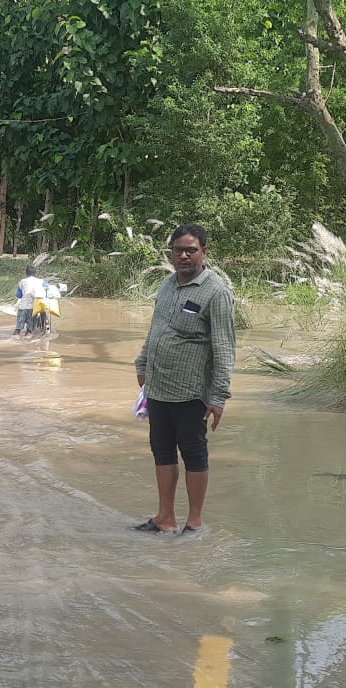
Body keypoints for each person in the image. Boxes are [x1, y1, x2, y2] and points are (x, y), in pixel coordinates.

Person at [132, 223, 235, 535]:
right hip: (158, 387)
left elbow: (224, 348)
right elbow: (156, 328)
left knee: (193, 454)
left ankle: (194, 522)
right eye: (178, 250)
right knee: (162, 452)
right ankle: (165, 518)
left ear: (204, 253)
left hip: (192, 392)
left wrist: (218, 396)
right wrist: (142, 362)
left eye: (191, 250)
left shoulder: (216, 293)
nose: (184, 256)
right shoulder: (167, 285)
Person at [14, 265, 38, 337]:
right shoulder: (39, 281)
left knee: (18, 328)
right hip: (33, 308)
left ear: (26, 273)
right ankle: (28, 337)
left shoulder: (22, 281)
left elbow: (18, 295)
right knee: (29, 330)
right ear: (35, 273)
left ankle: (15, 337)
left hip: (23, 307)